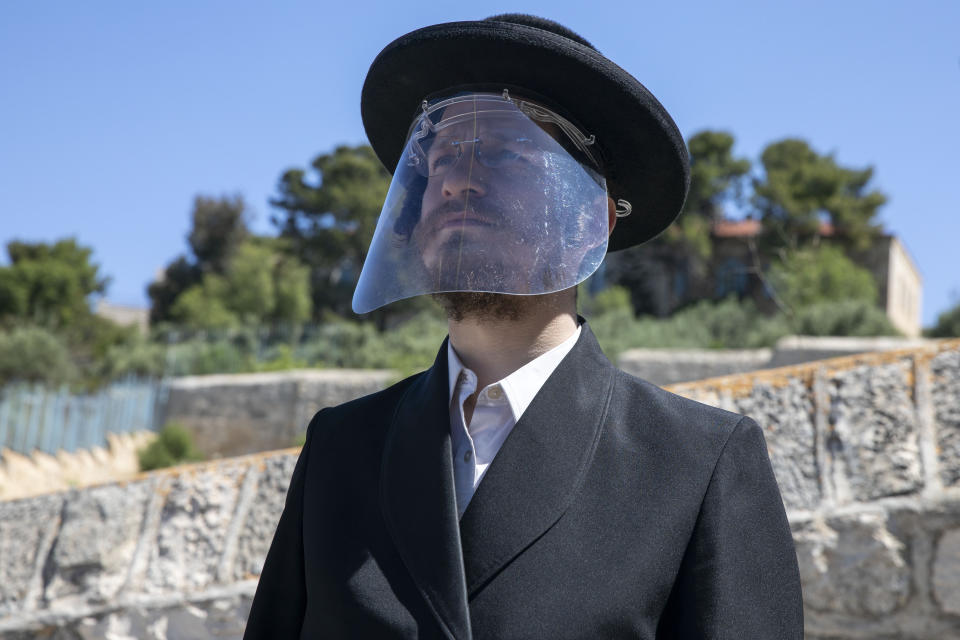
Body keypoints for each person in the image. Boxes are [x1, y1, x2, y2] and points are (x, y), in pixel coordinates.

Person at [244, 14, 803, 639]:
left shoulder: (699, 464)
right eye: (441, 156)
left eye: (503, 152)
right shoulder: (340, 449)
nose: (455, 178)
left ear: (591, 219)